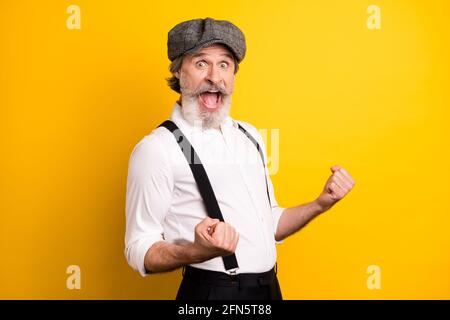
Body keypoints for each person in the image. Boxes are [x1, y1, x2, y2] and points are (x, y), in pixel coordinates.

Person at [124, 17, 355, 300]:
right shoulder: (157, 148)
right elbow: (138, 247)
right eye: (200, 63)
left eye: (224, 64)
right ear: (178, 72)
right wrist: (195, 251)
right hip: (212, 293)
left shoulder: (250, 135)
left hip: (269, 289)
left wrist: (321, 203)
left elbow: (270, 221)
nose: (214, 76)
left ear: (233, 74)